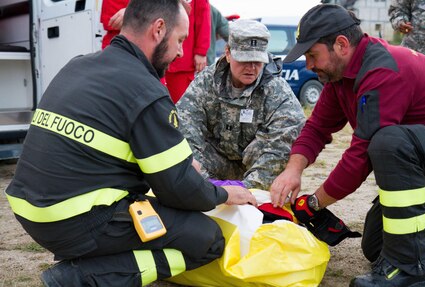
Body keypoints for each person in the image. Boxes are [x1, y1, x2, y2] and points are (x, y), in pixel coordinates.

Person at [5, 0, 257, 286]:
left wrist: (182, 169)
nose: (181, 52)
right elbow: (178, 192)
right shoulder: (146, 91)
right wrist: (223, 195)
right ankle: (81, 278)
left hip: (30, 210)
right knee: (207, 239)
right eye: (180, 40)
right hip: (74, 219)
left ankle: (96, 259)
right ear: (159, 29)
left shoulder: (78, 66)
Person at [270, 4, 425, 287]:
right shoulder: (341, 77)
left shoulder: (381, 71)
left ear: (341, 45)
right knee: (376, 248)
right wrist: (293, 170)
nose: (308, 65)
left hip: (420, 158)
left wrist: (315, 202)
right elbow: (317, 127)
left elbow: (360, 156)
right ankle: (410, 255)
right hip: (424, 164)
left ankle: (411, 271)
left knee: (386, 142)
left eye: (312, 55)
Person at [176, 19, 305, 191]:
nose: (251, 67)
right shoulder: (207, 82)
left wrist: (247, 188)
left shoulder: (277, 91)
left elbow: (280, 146)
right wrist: (208, 187)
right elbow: (186, 127)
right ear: (228, 53)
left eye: (257, 61)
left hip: (256, 170)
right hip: (213, 165)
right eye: (244, 60)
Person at [164, 0, 211, 104]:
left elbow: (203, 18)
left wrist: (201, 51)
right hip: (160, 57)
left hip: (183, 63)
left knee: (181, 105)